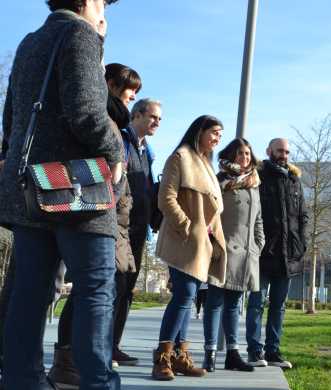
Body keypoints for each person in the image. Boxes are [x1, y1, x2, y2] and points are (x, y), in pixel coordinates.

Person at [0, 0, 124, 388]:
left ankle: (22, 381)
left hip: (30, 190)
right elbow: (87, 111)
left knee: (29, 293)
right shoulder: (80, 34)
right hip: (78, 190)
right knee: (95, 290)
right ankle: (98, 382)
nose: (105, 11)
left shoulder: (29, 42)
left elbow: (12, 120)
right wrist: (115, 150)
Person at [48, 62, 140, 388]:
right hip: (92, 211)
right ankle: (84, 370)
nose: (130, 103)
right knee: (94, 293)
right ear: (111, 85)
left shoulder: (116, 123)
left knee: (92, 292)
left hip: (105, 213)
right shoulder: (104, 118)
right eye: (129, 96)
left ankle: (71, 364)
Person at [151, 115, 226, 381]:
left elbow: (213, 208)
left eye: (220, 134)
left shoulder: (205, 164)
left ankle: (180, 357)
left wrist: (208, 231)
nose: (218, 138)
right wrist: (186, 225)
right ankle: (162, 359)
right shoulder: (180, 157)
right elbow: (165, 198)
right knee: (184, 295)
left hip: (199, 244)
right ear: (200, 131)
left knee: (188, 296)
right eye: (215, 132)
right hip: (181, 239)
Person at [202, 138, 264, 373]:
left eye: (248, 154)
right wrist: (214, 243)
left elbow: (258, 220)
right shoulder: (220, 181)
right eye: (240, 153)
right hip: (223, 250)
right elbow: (210, 215)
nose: (245, 158)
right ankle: (210, 353)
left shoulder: (253, 184)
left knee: (234, 305)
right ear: (230, 155)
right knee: (215, 302)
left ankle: (232, 354)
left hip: (247, 255)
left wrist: (258, 244)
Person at [247, 138, 307, 369]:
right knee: (256, 303)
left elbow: (303, 215)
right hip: (263, 253)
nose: (284, 154)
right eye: (280, 150)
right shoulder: (258, 175)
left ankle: (273, 352)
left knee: (279, 306)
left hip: (288, 255)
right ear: (269, 151)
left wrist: (301, 244)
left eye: (287, 151)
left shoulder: (295, 180)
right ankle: (255, 351)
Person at [113, 96, 161, 367]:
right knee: (115, 288)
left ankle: (113, 346)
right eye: (153, 117)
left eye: (159, 119)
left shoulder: (146, 151)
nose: (157, 122)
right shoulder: (122, 141)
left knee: (128, 290)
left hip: (140, 230)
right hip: (121, 228)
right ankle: (99, 347)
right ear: (137, 115)